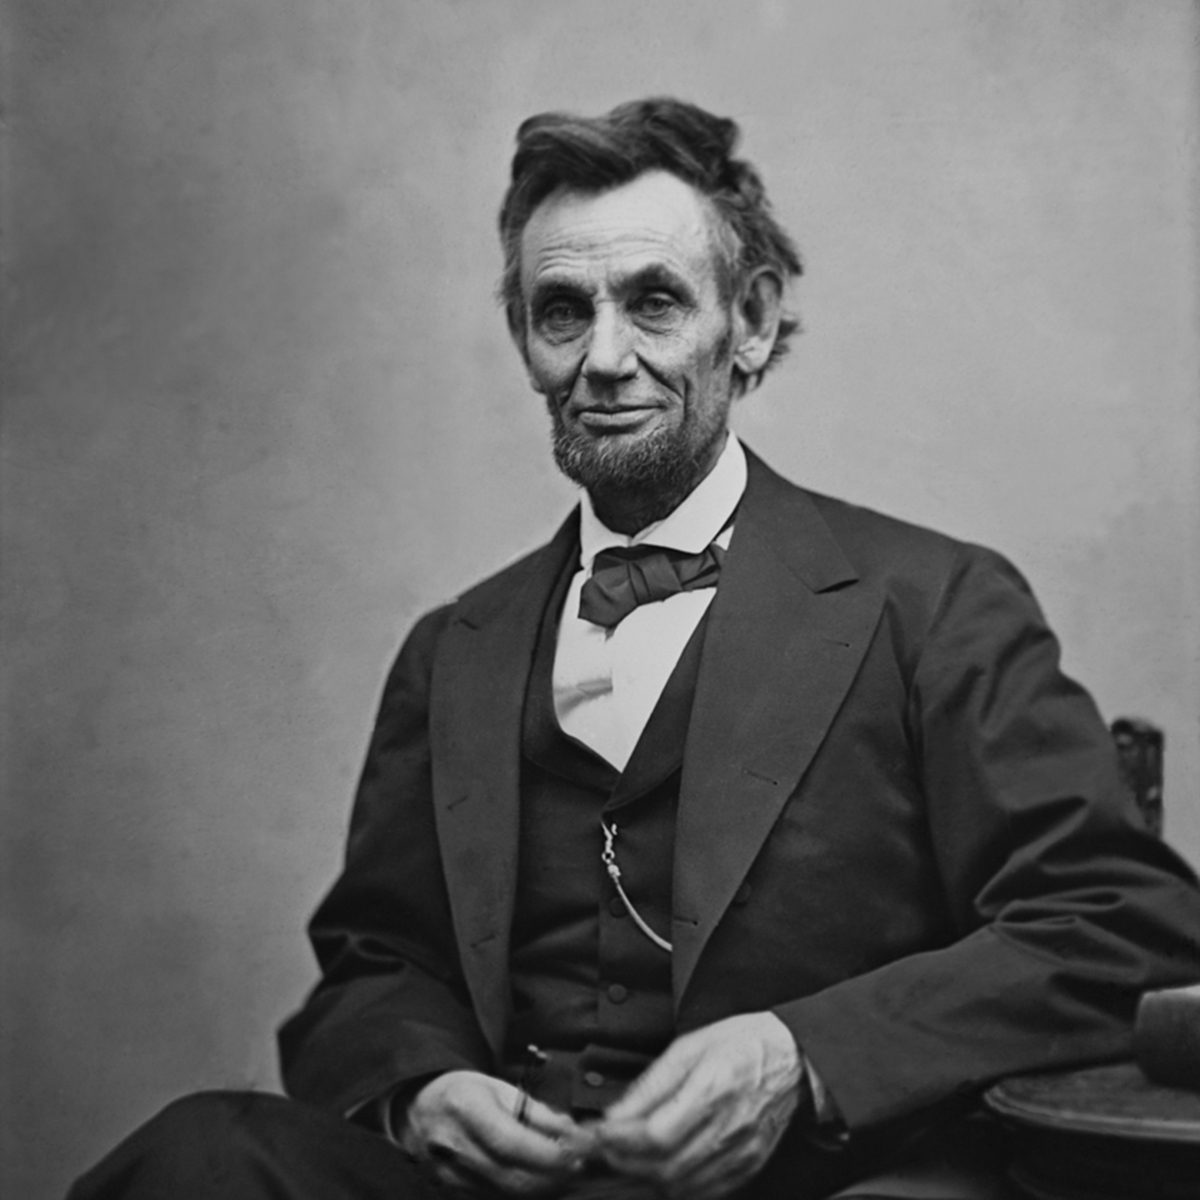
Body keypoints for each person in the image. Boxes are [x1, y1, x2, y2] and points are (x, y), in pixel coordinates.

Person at [70, 97, 1200, 1200]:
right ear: (524, 338)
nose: (605, 357)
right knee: (203, 1153)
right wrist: (419, 1090)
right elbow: (379, 959)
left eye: (654, 302)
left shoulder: (936, 604)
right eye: (563, 311)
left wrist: (801, 1057)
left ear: (749, 320)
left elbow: (1121, 927)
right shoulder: (453, 650)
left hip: (814, 1179)